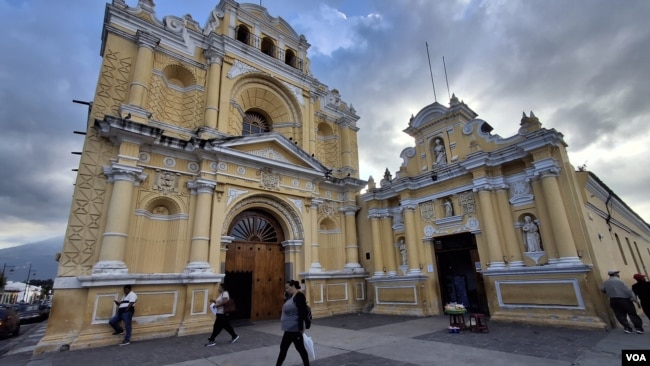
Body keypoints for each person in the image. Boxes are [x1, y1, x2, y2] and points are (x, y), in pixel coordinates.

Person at [276, 280, 311, 366]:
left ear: (293, 286)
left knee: (299, 349)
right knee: (284, 349)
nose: (286, 290)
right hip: (289, 329)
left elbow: (302, 312)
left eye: (287, 288)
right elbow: (291, 309)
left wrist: (301, 327)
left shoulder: (299, 296)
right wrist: (286, 299)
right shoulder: (292, 297)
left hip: (294, 329)